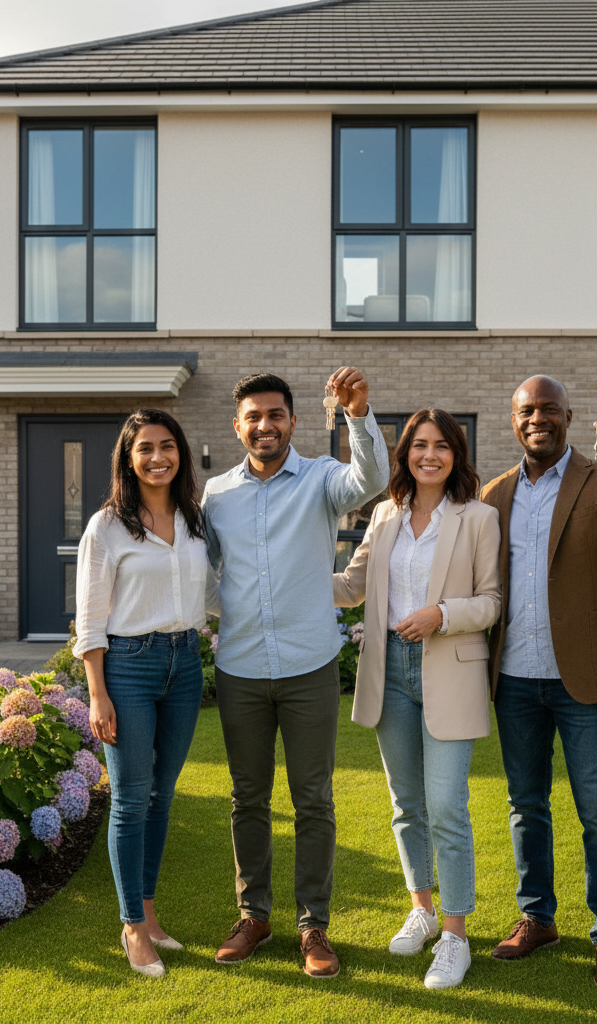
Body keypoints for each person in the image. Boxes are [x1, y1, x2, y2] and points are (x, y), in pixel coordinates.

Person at [480, 376, 597, 991]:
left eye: (548, 409)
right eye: (526, 410)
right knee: (525, 807)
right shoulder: (495, 494)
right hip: (514, 678)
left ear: (568, 416)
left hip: (583, 678)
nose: (537, 418)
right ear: (514, 420)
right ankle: (537, 919)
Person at [203, 368, 389, 978]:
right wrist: (222, 608)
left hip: (310, 666)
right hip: (241, 669)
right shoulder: (216, 495)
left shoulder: (322, 481)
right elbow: (201, 573)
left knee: (313, 800)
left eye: (275, 415)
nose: (265, 426)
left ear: (292, 421)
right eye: (253, 417)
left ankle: (314, 926)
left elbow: (374, 479)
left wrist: (357, 416)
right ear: (238, 427)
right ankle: (253, 915)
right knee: (248, 798)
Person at [333, 409, 500, 989]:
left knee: (447, 805)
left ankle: (455, 935)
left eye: (442, 446)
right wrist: (287, 566)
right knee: (407, 804)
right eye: (419, 446)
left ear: (456, 454)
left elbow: (491, 602)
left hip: (449, 671)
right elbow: (352, 587)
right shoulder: (383, 515)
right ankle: (423, 910)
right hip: (391, 672)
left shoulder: (478, 517)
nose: (430, 455)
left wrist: (442, 615)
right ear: (404, 454)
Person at [74, 408, 209, 979]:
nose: (159, 458)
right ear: (128, 459)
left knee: (162, 794)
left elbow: (217, 589)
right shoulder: (107, 526)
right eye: (146, 449)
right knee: (131, 797)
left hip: (185, 664)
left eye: (168, 446)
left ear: (181, 453)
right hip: (127, 667)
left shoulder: (194, 519)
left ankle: (150, 915)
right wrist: (98, 693)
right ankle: (132, 926)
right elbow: (89, 617)